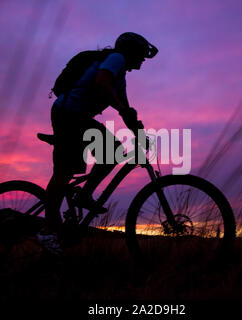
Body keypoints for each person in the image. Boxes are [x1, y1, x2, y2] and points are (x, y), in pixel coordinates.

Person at [44, 32, 158, 242]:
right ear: (131, 51)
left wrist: (138, 131)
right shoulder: (116, 58)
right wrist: (125, 112)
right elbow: (102, 84)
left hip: (77, 117)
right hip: (69, 114)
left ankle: (83, 195)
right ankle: (49, 232)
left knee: (112, 152)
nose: (143, 59)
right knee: (64, 171)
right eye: (141, 54)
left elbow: (124, 107)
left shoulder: (120, 75)